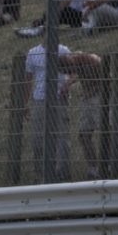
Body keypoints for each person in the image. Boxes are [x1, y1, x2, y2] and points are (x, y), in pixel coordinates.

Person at [25, 42, 73, 183]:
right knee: (37, 137)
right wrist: (24, 102)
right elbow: (28, 79)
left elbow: (74, 70)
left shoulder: (64, 50)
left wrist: (67, 84)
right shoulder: (33, 52)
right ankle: (40, 175)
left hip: (60, 99)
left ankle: (64, 173)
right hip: (40, 99)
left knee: (63, 136)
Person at [60, 51, 103, 179]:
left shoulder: (92, 60)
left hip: (101, 97)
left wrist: (88, 92)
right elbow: (76, 73)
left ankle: (110, 166)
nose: (69, 75)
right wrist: (69, 83)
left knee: (107, 131)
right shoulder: (75, 61)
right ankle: (94, 168)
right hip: (87, 98)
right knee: (83, 135)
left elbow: (106, 82)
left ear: (72, 63)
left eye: (69, 71)